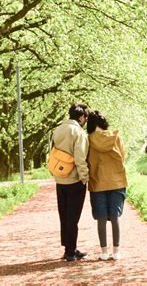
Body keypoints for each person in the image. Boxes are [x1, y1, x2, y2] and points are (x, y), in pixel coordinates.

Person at [87, 111, 128, 261]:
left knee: (102, 218)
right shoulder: (115, 137)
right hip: (117, 180)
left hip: (97, 182)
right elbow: (123, 156)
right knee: (115, 216)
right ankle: (116, 252)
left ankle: (104, 252)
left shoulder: (88, 139)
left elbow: (86, 159)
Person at [51, 103, 90, 262]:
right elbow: (80, 158)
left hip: (60, 179)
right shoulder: (78, 132)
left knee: (64, 215)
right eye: (85, 118)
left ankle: (69, 246)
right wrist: (85, 177)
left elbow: (52, 152)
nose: (86, 121)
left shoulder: (57, 129)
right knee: (73, 217)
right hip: (74, 179)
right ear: (81, 117)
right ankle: (70, 252)